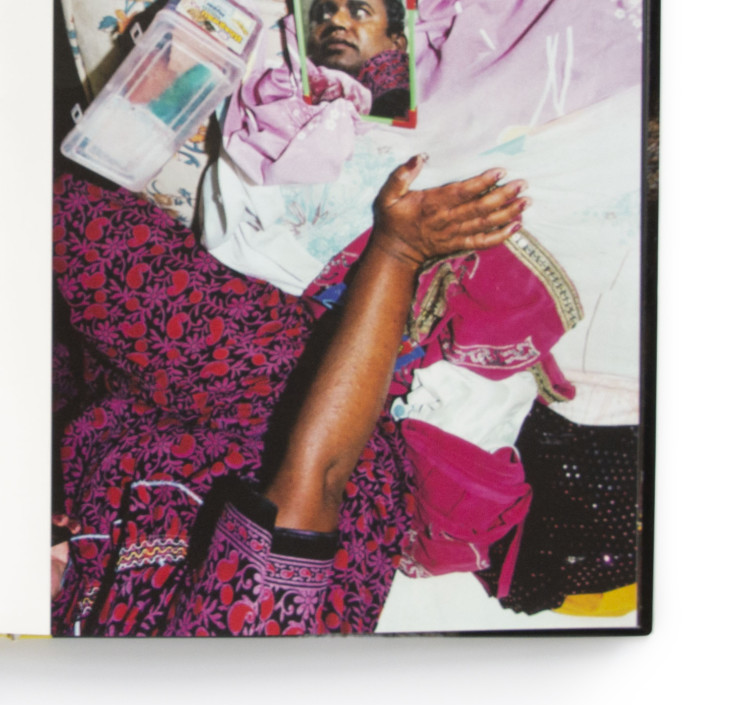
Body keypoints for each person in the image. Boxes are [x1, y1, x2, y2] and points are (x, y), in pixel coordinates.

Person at [50, 155, 523, 635]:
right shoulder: (241, 650)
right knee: (75, 223)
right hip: (287, 425)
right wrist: (400, 248)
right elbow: (321, 472)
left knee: (32, 259)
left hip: (105, 445)